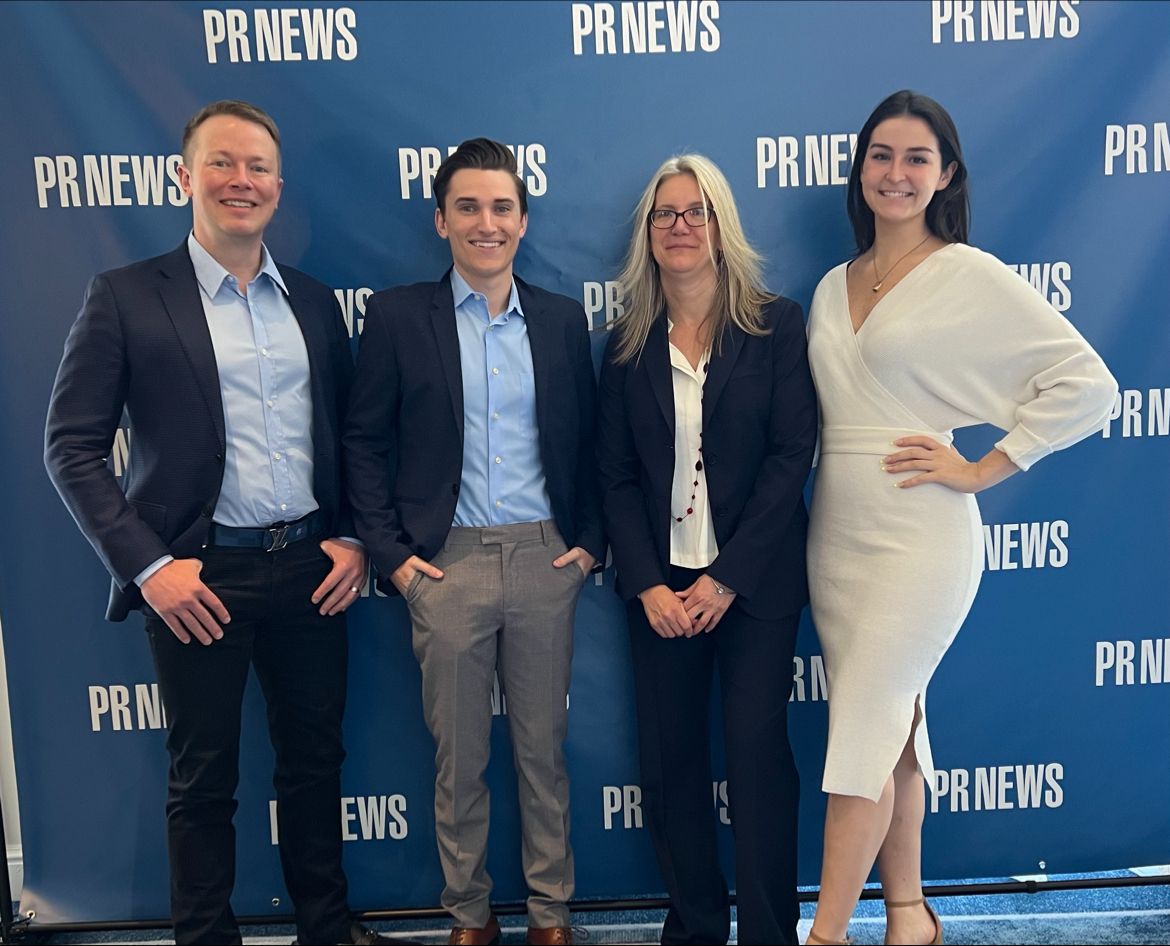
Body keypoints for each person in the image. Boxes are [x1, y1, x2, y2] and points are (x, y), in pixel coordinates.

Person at [43, 100, 391, 946]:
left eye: (258, 167)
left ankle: (326, 929)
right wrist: (149, 567)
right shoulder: (126, 297)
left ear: (279, 185)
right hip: (198, 577)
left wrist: (352, 537)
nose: (242, 180)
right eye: (223, 163)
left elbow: (350, 434)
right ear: (185, 177)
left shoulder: (312, 302)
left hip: (310, 569)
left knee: (315, 764)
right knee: (203, 779)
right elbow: (72, 447)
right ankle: (204, 939)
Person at [803, 90, 1118, 946]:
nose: (895, 173)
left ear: (945, 175)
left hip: (920, 539)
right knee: (894, 730)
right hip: (836, 537)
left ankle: (825, 935)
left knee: (861, 737)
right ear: (859, 169)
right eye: (880, 155)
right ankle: (909, 915)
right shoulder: (831, 287)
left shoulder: (968, 274)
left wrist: (983, 468)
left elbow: (1089, 386)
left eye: (917, 158)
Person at [343, 138, 604, 946]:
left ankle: (551, 915)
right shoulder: (396, 317)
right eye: (467, 207)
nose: (485, 223)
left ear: (523, 221)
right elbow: (363, 443)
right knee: (458, 762)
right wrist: (394, 560)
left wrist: (588, 544)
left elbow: (593, 442)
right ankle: (469, 915)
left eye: (500, 207)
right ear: (441, 220)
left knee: (541, 754)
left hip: (544, 559)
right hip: (444, 562)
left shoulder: (561, 320)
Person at [595, 154, 818, 946]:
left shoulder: (775, 325)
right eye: (665, 214)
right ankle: (694, 926)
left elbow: (791, 457)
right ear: (648, 234)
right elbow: (615, 476)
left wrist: (726, 579)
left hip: (752, 585)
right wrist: (647, 584)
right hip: (660, 589)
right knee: (670, 763)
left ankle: (768, 933)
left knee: (757, 759)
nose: (680, 226)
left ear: (721, 228)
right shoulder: (626, 346)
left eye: (697, 212)